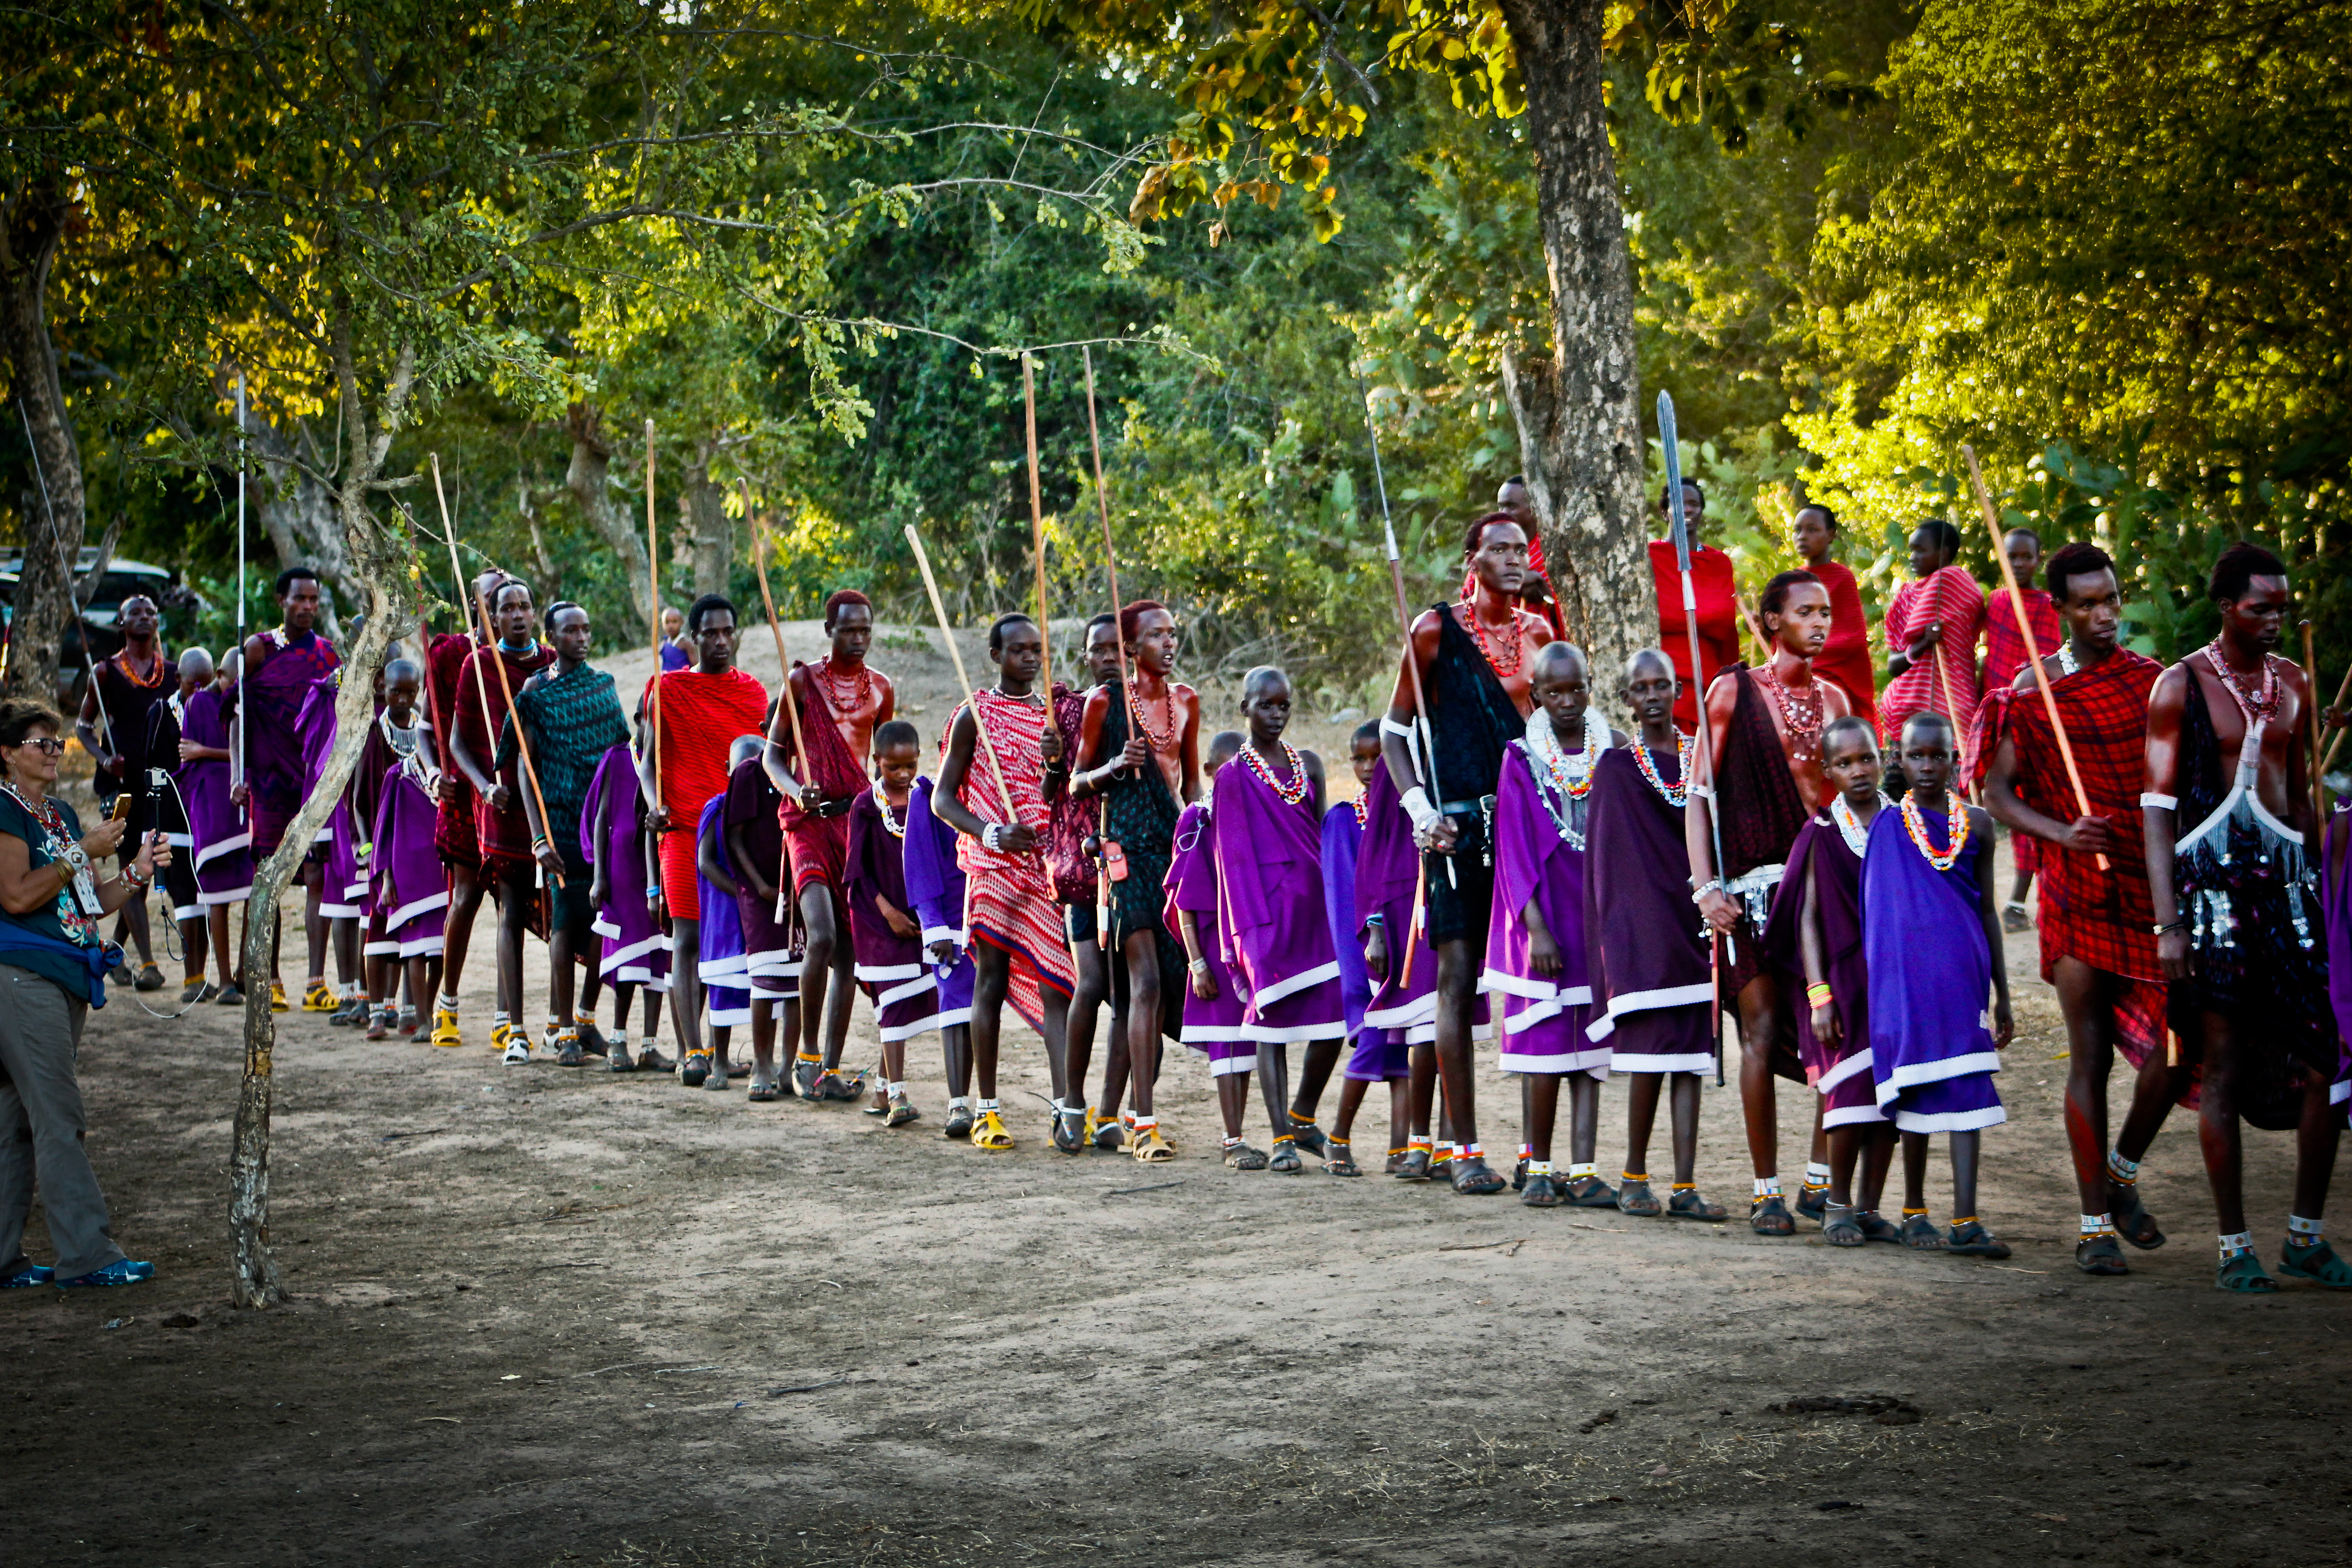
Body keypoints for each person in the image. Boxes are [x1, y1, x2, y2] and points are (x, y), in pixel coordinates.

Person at [1979, 542, 2186, 1275]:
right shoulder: (2029, 690)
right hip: (2073, 891)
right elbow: (1995, 794)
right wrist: (2059, 831)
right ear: (2057, 610)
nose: (2104, 615)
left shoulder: (2151, 683)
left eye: (2110, 600)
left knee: (2174, 1047)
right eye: (2087, 605)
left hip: (2149, 885)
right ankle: (2092, 1221)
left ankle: (2121, 1170)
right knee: (2089, 1056)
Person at [2143, 543, 2344, 1293]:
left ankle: (2303, 1236)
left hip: (2289, 895)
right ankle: (2233, 1246)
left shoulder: (2292, 682)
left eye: (2280, 609)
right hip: (2211, 898)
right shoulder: (2179, 686)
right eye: (2259, 608)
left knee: (2325, 1058)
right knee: (2220, 1064)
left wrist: (2326, 896)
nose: (2272, 621)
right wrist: (2169, 925)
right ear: (2224, 607)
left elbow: (2298, 802)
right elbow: (2156, 814)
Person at [1381, 514, 1548, 1196]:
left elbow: (1549, 728)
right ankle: (1465, 1148)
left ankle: (1537, 1156)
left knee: (1539, 974)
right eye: (1499, 550)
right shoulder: (1432, 631)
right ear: (1473, 559)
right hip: (1455, 827)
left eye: (1519, 550)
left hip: (1526, 823)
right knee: (1456, 977)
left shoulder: (1540, 633)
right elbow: (1395, 731)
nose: (1512, 560)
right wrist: (1420, 811)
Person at [1686, 570, 1850, 1233]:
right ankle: (1765, 1191)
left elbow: (1845, 805)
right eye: (1805, 612)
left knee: (1832, 1033)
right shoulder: (1731, 690)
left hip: (1820, 891)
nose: (1819, 623)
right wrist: (1706, 888)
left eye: (1826, 612)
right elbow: (1699, 795)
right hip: (1747, 896)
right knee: (1757, 1033)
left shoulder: (1837, 701)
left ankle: (1819, 1181)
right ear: (1772, 620)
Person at [0, 698, 166, 1289]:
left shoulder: (63, 817)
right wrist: (84, 852)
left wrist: (137, 872)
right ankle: (87, 1255)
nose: (53, 752)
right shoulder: (5, 811)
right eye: (40, 743)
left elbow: (89, 903)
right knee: (58, 1115)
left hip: (59, 977)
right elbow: (18, 897)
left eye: (57, 743)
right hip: (21, 978)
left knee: (17, 1121)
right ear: (7, 753)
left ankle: (5, 1258)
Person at [1863, 712, 2014, 1257]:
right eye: (1916, 755)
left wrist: (2004, 995)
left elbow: (1989, 913)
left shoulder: (1978, 824)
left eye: (1938, 756)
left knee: (1967, 1087)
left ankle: (1967, 1219)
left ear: (1956, 761)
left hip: (1963, 979)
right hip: (1909, 988)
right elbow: (1878, 919)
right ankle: (1914, 1210)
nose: (1927, 766)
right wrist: (1886, 996)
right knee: (1919, 1090)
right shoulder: (1885, 826)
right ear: (1898, 760)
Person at [1584, 650, 1726, 1220]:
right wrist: (1619, 938)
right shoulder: (1616, 769)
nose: (1652, 696)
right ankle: (1634, 1176)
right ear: (1625, 701)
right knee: (1646, 1057)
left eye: (1661, 685)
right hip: (1642, 932)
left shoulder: (1701, 759)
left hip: (1695, 921)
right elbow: (1606, 864)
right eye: (1639, 688)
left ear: (1678, 691)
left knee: (1692, 1057)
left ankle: (1686, 1186)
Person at [931, 613, 1078, 1152]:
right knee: (989, 980)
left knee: (1057, 983)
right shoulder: (974, 715)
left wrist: (1055, 766)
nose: (1032, 658)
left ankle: (1067, 1107)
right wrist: (991, 833)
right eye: (1019, 650)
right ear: (996, 656)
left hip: (1044, 868)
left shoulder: (1054, 720)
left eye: (1038, 649)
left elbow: (1060, 795)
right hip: (992, 865)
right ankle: (987, 1110)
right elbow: (942, 799)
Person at [1773, 715, 1922, 1247]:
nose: (1858, 771)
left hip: (1894, 984)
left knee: (1890, 1099)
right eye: (1844, 763)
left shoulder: (1905, 824)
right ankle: (1835, 1204)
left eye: (1866, 759)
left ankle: (1871, 1206)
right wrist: (1819, 995)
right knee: (1846, 1097)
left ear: (1883, 760)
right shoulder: (1823, 833)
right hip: (1841, 987)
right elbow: (1807, 918)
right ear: (1828, 771)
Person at [1487, 642, 1622, 1209]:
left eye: (1578, 689)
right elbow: (1513, 849)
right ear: (1535, 695)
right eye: (1555, 692)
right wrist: (1535, 928)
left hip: (1593, 915)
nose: (1568, 702)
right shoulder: (1520, 758)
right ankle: (1537, 1165)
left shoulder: (1611, 755)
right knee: (1544, 1047)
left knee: (1590, 1048)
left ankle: (1585, 1169)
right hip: (1542, 917)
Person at [1071, 600, 1200, 1161]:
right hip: (1122, 853)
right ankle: (1143, 1126)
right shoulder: (1105, 702)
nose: (1169, 644)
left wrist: (1208, 845)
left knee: (1157, 990)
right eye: (1156, 636)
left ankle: (1114, 1114)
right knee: (1142, 982)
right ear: (1130, 647)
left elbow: (1191, 787)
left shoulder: (1186, 701)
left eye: (1173, 634)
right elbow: (1076, 783)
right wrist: (1112, 768)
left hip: (1171, 852)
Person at [1210, 670, 1346, 1173]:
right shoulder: (1232, 776)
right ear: (1245, 707)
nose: (1276, 715)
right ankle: (1282, 1137)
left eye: (1284, 705)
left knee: (1335, 1017)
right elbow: (1233, 860)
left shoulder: (1307, 764)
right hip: (1263, 918)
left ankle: (1303, 1111)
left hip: (1316, 910)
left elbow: (1325, 834)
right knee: (1270, 1024)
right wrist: (1247, 934)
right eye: (1266, 705)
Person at [763, 589, 896, 1103]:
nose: (859, 639)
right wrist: (798, 788)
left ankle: (831, 1069)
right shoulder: (800, 683)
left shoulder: (882, 690)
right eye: (848, 630)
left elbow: (886, 769)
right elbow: (772, 759)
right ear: (829, 631)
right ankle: (806, 1056)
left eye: (866, 629)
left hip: (856, 824)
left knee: (849, 954)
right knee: (820, 936)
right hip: (806, 823)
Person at [641, 594, 770, 1081]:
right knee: (688, 936)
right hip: (681, 826)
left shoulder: (754, 693)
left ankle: (725, 1049)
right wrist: (655, 804)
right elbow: (647, 760)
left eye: (727, 632)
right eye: (710, 633)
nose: (720, 641)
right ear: (691, 638)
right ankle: (689, 1050)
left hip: (736, 831)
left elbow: (761, 765)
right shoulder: (667, 689)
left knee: (736, 938)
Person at [502, 602, 631, 1065]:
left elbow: (620, 750)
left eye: (586, 629)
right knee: (564, 918)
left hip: (602, 819)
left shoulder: (603, 687)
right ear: (551, 638)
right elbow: (522, 766)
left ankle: (586, 1016)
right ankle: (563, 1031)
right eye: (570, 631)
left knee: (604, 920)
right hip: (558, 820)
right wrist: (538, 839)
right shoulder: (535, 694)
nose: (581, 637)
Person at [445, 578, 556, 1061]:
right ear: (489, 616)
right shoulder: (479, 664)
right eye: (505, 608)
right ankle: (513, 1027)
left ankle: (563, 1023)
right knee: (509, 907)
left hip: (552, 804)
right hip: (503, 803)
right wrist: (485, 786)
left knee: (560, 913)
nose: (516, 615)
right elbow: (457, 744)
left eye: (524, 606)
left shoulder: (553, 664)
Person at [235, 568, 342, 1012]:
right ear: (282, 600)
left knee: (317, 873)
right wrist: (236, 776)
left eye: (314, 600)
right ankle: (270, 978)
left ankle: (316, 982)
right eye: (300, 599)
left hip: (312, 779)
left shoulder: (328, 654)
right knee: (271, 877)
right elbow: (236, 712)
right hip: (269, 780)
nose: (308, 607)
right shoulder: (259, 649)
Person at [423, 569, 510, 1048]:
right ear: (477, 605)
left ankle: (506, 1015)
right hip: (462, 798)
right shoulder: (450, 654)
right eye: (498, 598)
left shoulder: (525, 657)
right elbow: (423, 728)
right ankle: (447, 1005)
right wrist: (436, 776)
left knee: (508, 908)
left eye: (514, 597)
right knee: (464, 900)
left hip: (508, 799)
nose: (508, 606)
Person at [1057, 614, 1134, 1149]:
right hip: (1081, 867)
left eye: (1116, 649)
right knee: (1092, 982)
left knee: (1131, 991)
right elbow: (1057, 791)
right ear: (1085, 657)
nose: (1108, 657)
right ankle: (1072, 1104)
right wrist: (1047, 764)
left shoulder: (1148, 707)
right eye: (1098, 650)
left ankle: (1110, 1112)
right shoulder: (1070, 712)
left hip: (1136, 863)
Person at [77, 593, 175, 992]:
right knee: (130, 865)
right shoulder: (103, 673)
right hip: (122, 785)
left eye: (151, 613)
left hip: (159, 781)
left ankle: (115, 949)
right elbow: (83, 727)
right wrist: (103, 759)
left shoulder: (170, 671)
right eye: (135, 613)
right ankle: (149, 963)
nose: (145, 618)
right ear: (121, 624)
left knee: (146, 870)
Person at [1169, 730, 1260, 1161]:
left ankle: (1239, 1133)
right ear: (1208, 773)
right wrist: (1197, 963)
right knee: (1226, 1040)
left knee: (1245, 1041)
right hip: (1211, 949)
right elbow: (1184, 901)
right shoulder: (1197, 820)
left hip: (1247, 948)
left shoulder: (1256, 821)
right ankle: (1232, 1139)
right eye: (1226, 769)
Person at [846, 720, 942, 1126]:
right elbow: (856, 872)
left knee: (912, 998)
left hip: (920, 916)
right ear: (876, 762)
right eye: (893, 768)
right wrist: (888, 913)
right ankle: (900, 1096)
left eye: (910, 766)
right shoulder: (865, 807)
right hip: (876, 917)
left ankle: (884, 1089)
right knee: (891, 1003)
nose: (903, 775)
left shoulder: (930, 797)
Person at [355, 659, 446, 1040]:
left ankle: (412, 1010)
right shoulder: (372, 733)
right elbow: (358, 800)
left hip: (417, 847)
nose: (404, 700)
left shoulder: (427, 738)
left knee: (419, 936)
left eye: (412, 693)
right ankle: (378, 1011)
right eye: (397, 692)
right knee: (380, 929)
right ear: (382, 688)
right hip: (382, 848)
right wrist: (368, 850)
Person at [1319, 722, 1393, 1177]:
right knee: (1374, 1037)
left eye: (1377, 758)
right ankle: (1337, 1137)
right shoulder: (1345, 819)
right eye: (1359, 759)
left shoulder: (1407, 813)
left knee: (1406, 1042)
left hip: (1408, 943)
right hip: (1365, 949)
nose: (1368, 769)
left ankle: (1403, 1147)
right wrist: (1369, 940)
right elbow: (1343, 894)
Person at [1982, 528, 2064, 930]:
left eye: (2025, 557)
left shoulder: (2049, 606)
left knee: (2029, 805)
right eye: (2010, 557)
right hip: (1997, 714)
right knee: (1994, 801)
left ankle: (2017, 901)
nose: (2018, 564)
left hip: (2034, 716)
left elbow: (2051, 663)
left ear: (2038, 558)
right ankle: (1996, 902)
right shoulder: (1996, 602)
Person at [903, 728, 979, 1138]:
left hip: (987, 914)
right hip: (949, 921)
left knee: (982, 1011)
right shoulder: (927, 795)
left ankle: (987, 1103)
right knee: (953, 1007)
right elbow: (919, 862)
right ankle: (958, 1104)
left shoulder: (989, 796)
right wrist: (933, 926)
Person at [583, 723, 669, 1073]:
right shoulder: (619, 758)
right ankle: (618, 1038)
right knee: (627, 958)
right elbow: (602, 816)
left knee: (660, 956)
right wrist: (599, 876)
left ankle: (650, 1045)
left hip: (659, 867)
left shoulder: (667, 760)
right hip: (621, 869)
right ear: (638, 721)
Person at [722, 709, 799, 1102]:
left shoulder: (806, 777)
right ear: (766, 731)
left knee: (800, 980)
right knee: (765, 980)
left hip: (799, 890)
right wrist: (762, 887)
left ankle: (789, 1066)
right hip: (760, 894)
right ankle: (763, 1063)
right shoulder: (751, 774)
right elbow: (734, 838)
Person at [1881, 519, 1986, 775]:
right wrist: (1923, 644)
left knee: (1946, 798)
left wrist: (1924, 639)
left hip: (1949, 709)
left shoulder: (1954, 582)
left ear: (1944, 554)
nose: (1913, 557)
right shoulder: (1906, 597)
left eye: (1921, 550)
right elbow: (1894, 666)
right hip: (1907, 709)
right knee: (1900, 799)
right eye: (1912, 550)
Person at [178, 649, 252, 1004]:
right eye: (231, 681)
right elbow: (187, 757)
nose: (236, 688)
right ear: (218, 675)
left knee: (254, 894)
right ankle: (224, 981)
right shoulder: (198, 705)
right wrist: (209, 755)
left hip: (243, 808)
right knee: (217, 900)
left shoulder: (247, 704)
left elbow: (246, 754)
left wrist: (207, 752)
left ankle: (244, 971)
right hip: (211, 809)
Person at [690, 738, 764, 1090]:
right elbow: (705, 862)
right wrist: (744, 893)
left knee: (766, 986)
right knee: (722, 986)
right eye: (741, 770)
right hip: (724, 916)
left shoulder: (770, 813)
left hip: (758, 917)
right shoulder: (717, 809)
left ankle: (766, 1061)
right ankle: (718, 1061)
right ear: (727, 771)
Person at [145, 647, 214, 1003]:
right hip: (172, 820)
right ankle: (191, 979)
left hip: (205, 815)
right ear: (178, 681)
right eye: (192, 686)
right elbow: (150, 769)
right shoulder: (160, 713)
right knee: (185, 895)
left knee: (203, 897)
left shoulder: (214, 708)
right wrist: (152, 828)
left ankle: (201, 975)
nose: (199, 692)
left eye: (206, 684)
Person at [1649, 480, 1741, 732]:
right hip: (1662, 675)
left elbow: (1725, 622)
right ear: (1664, 510)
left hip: (1710, 676)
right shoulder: (1649, 557)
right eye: (1678, 504)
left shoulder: (1718, 562)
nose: (1687, 510)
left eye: (1693, 504)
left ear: (1701, 510)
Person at [1789, 504, 1877, 729]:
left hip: (1836, 680)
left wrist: (1807, 646)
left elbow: (1853, 636)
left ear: (1831, 535)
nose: (1802, 537)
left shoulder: (1842, 578)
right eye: (1797, 530)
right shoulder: (1791, 582)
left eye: (1812, 530)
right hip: (1797, 679)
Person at [1490, 476, 1568, 641]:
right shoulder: (1488, 551)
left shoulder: (1554, 552)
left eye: (1511, 506)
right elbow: (1471, 603)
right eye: (1501, 507)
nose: (1503, 514)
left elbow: (1572, 619)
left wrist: (1544, 597)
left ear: (1533, 508)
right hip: (1497, 648)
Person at [658, 604, 690, 671]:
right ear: (663, 624)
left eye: (675, 622)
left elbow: (695, 666)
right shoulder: (665, 643)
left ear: (682, 622)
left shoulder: (686, 643)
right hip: (667, 680)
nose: (671, 626)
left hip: (682, 679)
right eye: (667, 623)